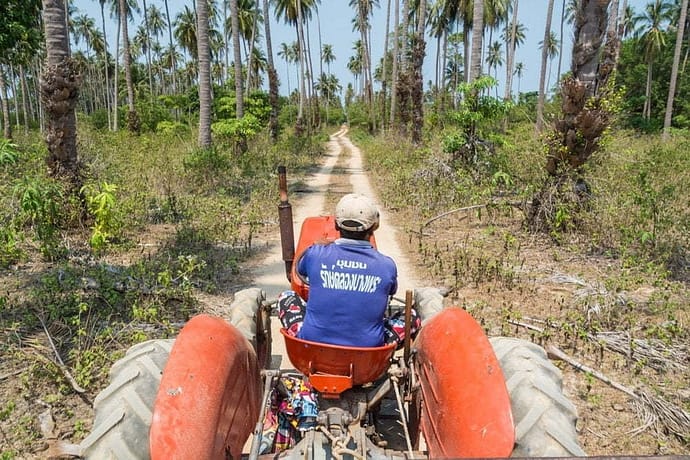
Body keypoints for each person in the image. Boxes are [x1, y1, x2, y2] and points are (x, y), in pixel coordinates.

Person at [278, 193, 420, 348]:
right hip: (369, 352)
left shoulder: (316, 253)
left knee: (287, 296)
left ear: (337, 225)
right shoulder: (386, 265)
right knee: (412, 315)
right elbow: (391, 291)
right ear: (374, 226)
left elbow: (300, 270)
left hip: (311, 345)